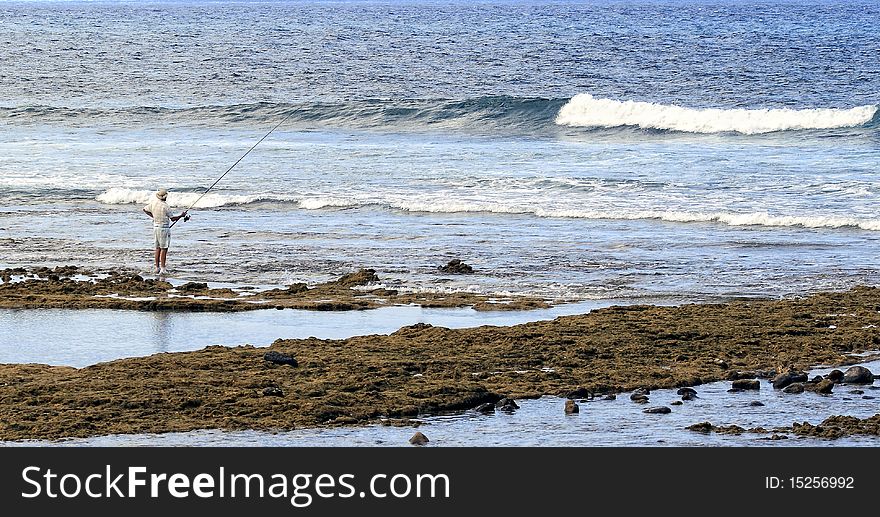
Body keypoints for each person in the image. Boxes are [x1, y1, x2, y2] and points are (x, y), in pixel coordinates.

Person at [143, 189, 188, 275]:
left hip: (156, 227)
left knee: (158, 248)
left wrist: (153, 217)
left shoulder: (153, 203)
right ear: (165, 197)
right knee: (164, 248)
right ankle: (163, 269)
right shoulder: (165, 206)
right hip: (163, 228)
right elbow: (172, 218)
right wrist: (181, 216)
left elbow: (145, 209)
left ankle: (157, 267)